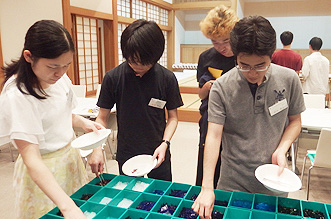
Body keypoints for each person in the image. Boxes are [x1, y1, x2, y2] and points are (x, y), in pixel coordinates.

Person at [192, 16, 305, 219]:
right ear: (235, 57)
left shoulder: (289, 79)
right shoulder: (221, 87)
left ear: (272, 55)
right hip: (232, 179)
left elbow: (295, 121)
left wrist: (282, 149)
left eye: (260, 65)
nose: (252, 73)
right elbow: (214, 136)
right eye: (244, 65)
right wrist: (207, 187)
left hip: (274, 178)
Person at [0, 20, 104, 219]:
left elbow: (64, 113)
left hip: (69, 158)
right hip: (42, 170)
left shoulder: (59, 78)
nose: (61, 73)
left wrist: (84, 123)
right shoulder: (18, 94)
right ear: (29, 56)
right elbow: (31, 158)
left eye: (66, 65)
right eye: (53, 66)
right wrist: (67, 207)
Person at [89, 19, 183, 181]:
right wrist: (97, 149)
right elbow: (102, 117)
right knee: (129, 197)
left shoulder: (167, 78)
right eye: (132, 61)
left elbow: (173, 118)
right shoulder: (113, 78)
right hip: (127, 150)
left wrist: (165, 143)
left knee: (160, 197)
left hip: (158, 150)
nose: (137, 66)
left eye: (144, 63)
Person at [196, 5, 238, 187]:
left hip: (237, 118)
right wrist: (210, 86)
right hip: (210, 116)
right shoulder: (205, 57)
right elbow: (201, 93)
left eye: (226, 41)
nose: (221, 47)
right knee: (207, 160)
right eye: (215, 42)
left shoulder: (244, 58)